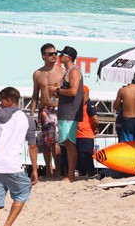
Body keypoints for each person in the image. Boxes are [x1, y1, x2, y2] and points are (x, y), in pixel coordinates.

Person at [0, 86, 37, 226]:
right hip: (12, 163)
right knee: (24, 190)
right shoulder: (26, 119)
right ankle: (7, 224)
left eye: (1, 101)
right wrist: (35, 170)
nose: (0, 104)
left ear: (8, 100)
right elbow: (32, 145)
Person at [30, 42, 63, 177]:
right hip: (43, 110)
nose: (54, 56)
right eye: (50, 54)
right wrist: (31, 114)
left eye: (55, 53)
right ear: (43, 56)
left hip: (57, 108)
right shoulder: (38, 73)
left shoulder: (62, 71)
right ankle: (48, 169)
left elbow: (68, 91)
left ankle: (58, 169)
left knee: (55, 141)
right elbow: (35, 95)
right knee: (44, 142)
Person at [54, 46, 82, 183]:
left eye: (62, 55)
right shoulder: (69, 71)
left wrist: (58, 91)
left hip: (70, 112)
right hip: (66, 111)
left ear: (68, 57)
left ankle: (71, 175)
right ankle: (69, 174)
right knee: (66, 142)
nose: (59, 57)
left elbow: (73, 91)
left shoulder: (74, 71)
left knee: (70, 143)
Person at [75, 86, 98, 178]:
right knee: (80, 158)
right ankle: (82, 174)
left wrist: (92, 129)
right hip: (78, 135)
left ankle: (91, 174)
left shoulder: (89, 105)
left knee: (87, 156)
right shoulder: (79, 104)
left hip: (86, 134)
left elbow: (95, 120)